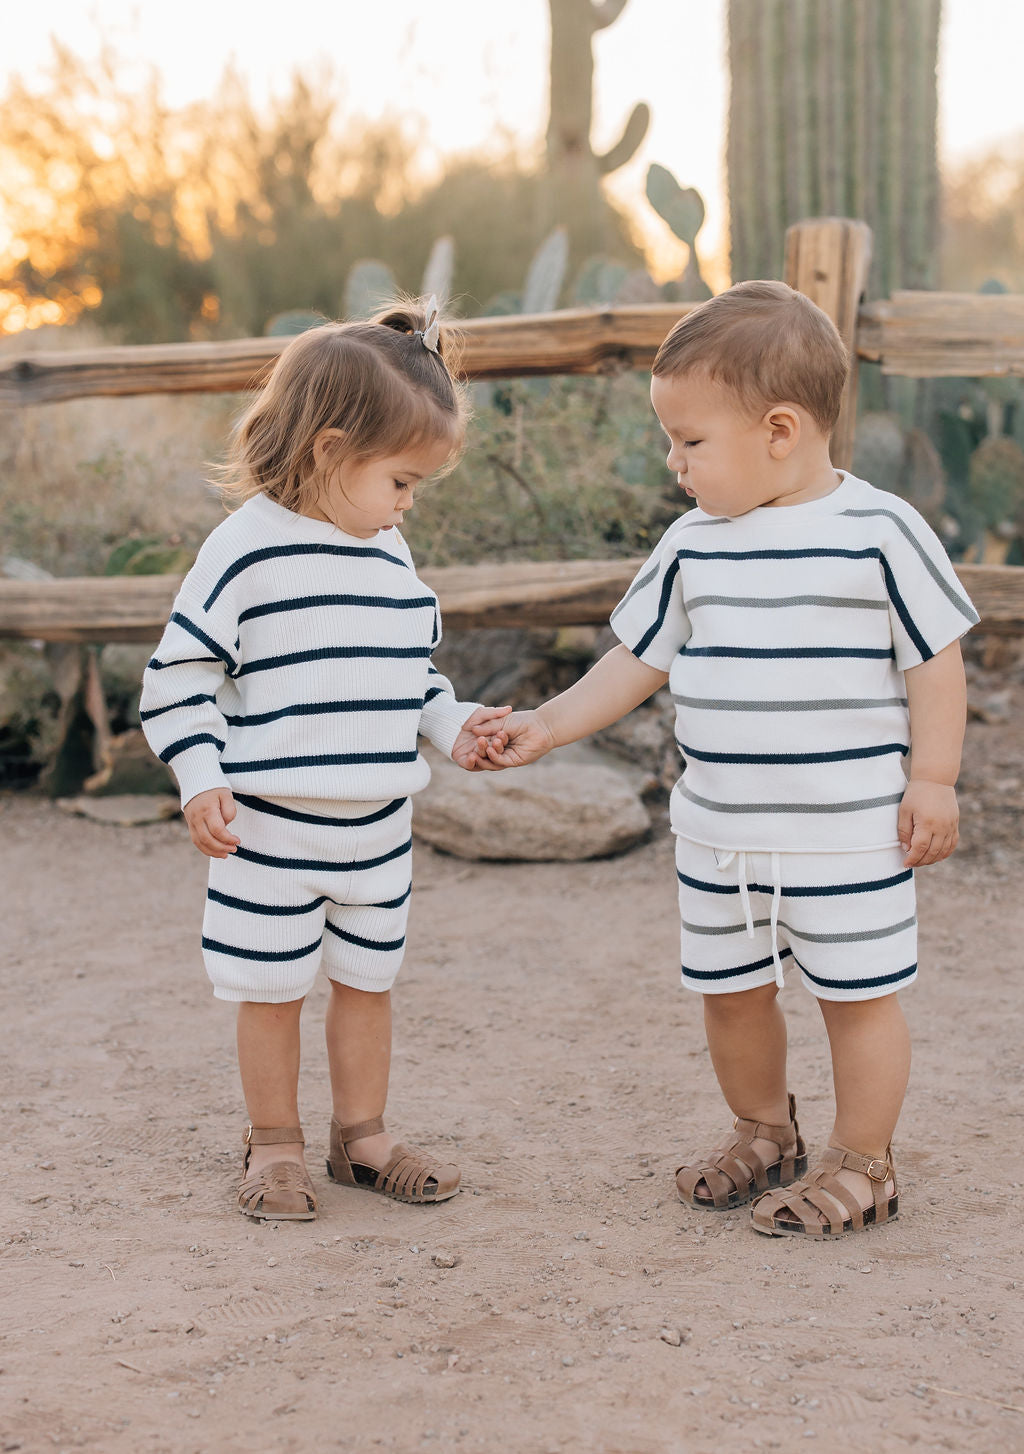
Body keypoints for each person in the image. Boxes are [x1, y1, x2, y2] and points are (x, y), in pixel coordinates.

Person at [481, 280, 978, 1239]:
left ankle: (864, 1162)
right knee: (731, 996)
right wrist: (547, 723)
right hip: (721, 840)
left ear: (781, 430)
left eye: (691, 441)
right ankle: (764, 1132)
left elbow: (935, 661)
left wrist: (934, 778)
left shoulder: (880, 534)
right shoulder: (691, 547)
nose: (673, 463)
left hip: (848, 839)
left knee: (858, 1002)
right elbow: (636, 661)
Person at [140, 299, 510, 1222]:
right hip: (269, 830)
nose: (408, 502)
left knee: (367, 985)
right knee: (269, 992)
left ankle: (364, 1137)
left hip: (379, 830)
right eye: (401, 480)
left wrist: (451, 723)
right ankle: (274, 1144)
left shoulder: (390, 554)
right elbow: (178, 679)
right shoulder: (245, 553)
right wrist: (201, 777)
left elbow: (408, 676)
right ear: (331, 451)